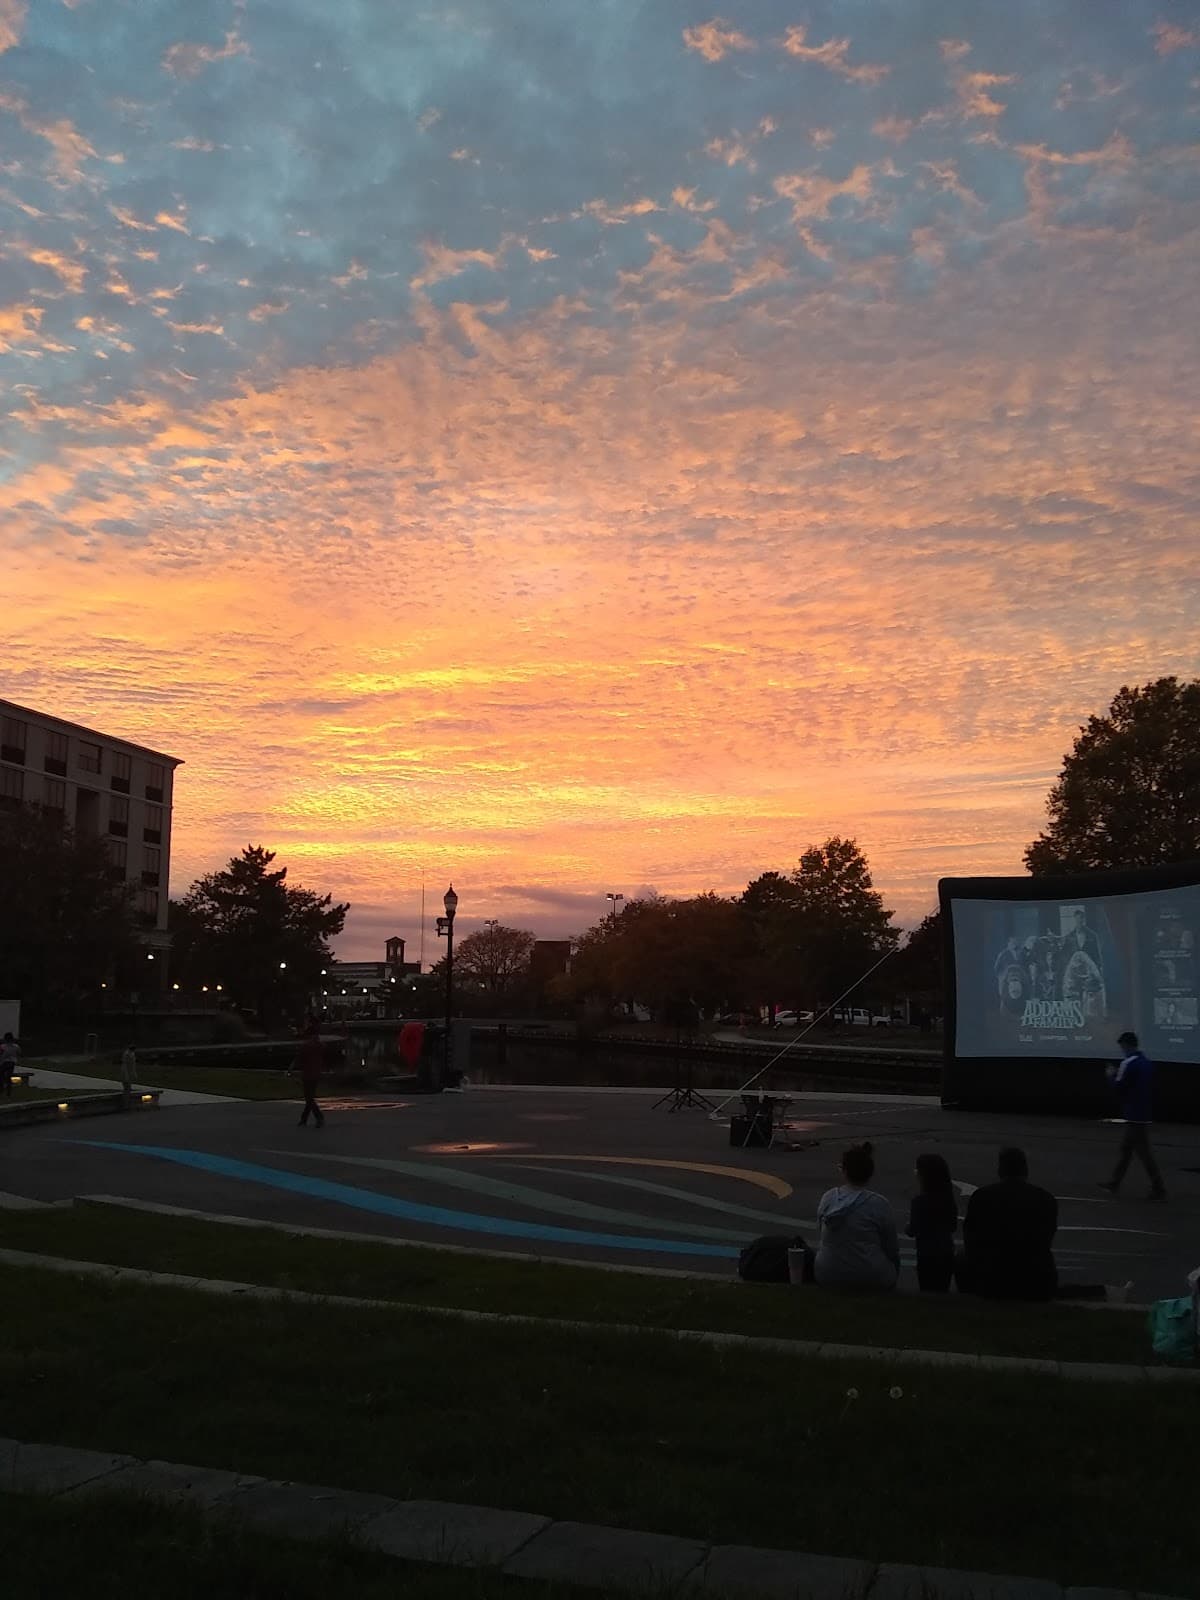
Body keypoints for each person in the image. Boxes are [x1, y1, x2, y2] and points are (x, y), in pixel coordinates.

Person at [958, 1147, 1057, 1301]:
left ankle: (972, 1295)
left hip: (993, 1274)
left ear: (1001, 1170)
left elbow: (970, 1237)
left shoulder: (983, 1196)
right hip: (1034, 1273)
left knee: (962, 1256)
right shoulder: (1045, 1198)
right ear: (1025, 1170)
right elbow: (1047, 1237)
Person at [813, 1142, 900, 1291]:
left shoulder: (828, 1198)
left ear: (844, 1171)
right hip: (869, 1274)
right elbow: (891, 1247)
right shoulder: (879, 1203)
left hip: (827, 1272)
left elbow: (820, 1233)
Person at [1100, 1031, 1166, 1202]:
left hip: (1134, 1113)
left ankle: (1159, 1188)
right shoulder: (1146, 1063)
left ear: (1126, 1045)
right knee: (1127, 1150)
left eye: (1122, 1046)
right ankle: (1114, 1183)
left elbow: (1119, 1088)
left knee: (1143, 1153)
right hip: (1143, 1111)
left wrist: (1110, 1076)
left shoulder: (1128, 1063)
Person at [906, 1153, 958, 1292]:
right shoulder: (948, 1199)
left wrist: (908, 1227)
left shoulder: (919, 1201)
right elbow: (953, 1226)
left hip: (926, 1253)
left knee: (927, 1289)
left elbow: (912, 1230)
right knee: (942, 1289)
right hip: (946, 1251)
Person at [293, 1018, 325, 1128]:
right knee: (309, 1097)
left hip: (307, 1073)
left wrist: (292, 1069)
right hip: (316, 1073)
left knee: (309, 1097)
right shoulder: (319, 1045)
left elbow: (299, 1058)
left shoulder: (306, 1046)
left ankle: (318, 1117)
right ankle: (304, 1119)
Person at [0, 1031, 19, 1098]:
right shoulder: (16, 1046)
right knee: (9, 1077)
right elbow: (18, 1053)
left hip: (4, 1062)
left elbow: (1, 1054)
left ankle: (2, 1089)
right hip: (12, 1062)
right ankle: (9, 1092)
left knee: (1, 1075)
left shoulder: (2, 1046)